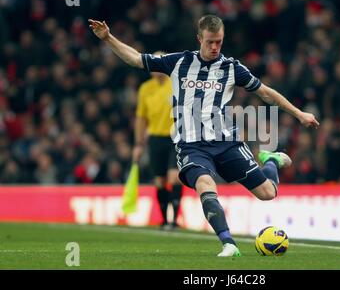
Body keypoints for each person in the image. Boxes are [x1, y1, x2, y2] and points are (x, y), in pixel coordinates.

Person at [88, 15, 319, 257]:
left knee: (267, 193)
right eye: (210, 42)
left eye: (219, 42)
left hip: (227, 143)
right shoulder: (178, 62)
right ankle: (228, 243)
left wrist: (298, 113)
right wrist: (108, 38)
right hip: (192, 145)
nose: (214, 47)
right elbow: (136, 59)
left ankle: (271, 160)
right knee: (205, 185)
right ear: (199, 38)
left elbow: (266, 93)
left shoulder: (232, 68)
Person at [132, 51, 183, 230]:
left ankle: (175, 220)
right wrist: (139, 143)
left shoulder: (176, 83)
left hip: (175, 138)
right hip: (155, 138)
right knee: (159, 181)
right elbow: (140, 118)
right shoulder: (145, 89)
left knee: (174, 177)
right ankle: (164, 220)